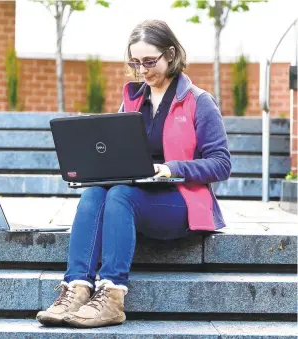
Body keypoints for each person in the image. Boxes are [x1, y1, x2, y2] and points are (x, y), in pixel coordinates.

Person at [36, 19, 231, 329]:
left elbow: (221, 163)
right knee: (95, 193)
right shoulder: (132, 100)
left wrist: (171, 168)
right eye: (135, 62)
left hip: (182, 202)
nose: (142, 70)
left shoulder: (199, 101)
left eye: (150, 61)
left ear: (170, 54)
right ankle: (77, 289)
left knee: (120, 195)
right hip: (135, 193)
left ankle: (112, 295)